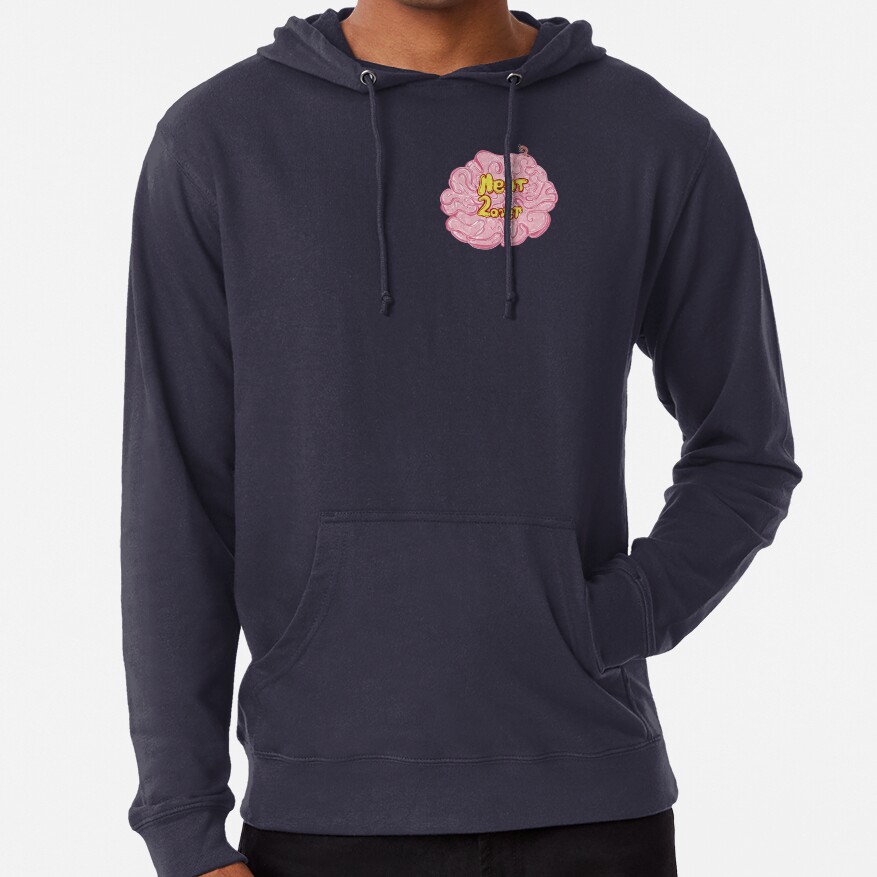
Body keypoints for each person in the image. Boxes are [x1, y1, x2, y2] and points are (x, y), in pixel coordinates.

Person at [120, 1, 803, 875]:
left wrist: (603, 620)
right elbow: (177, 496)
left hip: (593, 804)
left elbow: (746, 452)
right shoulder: (218, 141)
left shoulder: (650, 138)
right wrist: (184, 830)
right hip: (323, 809)